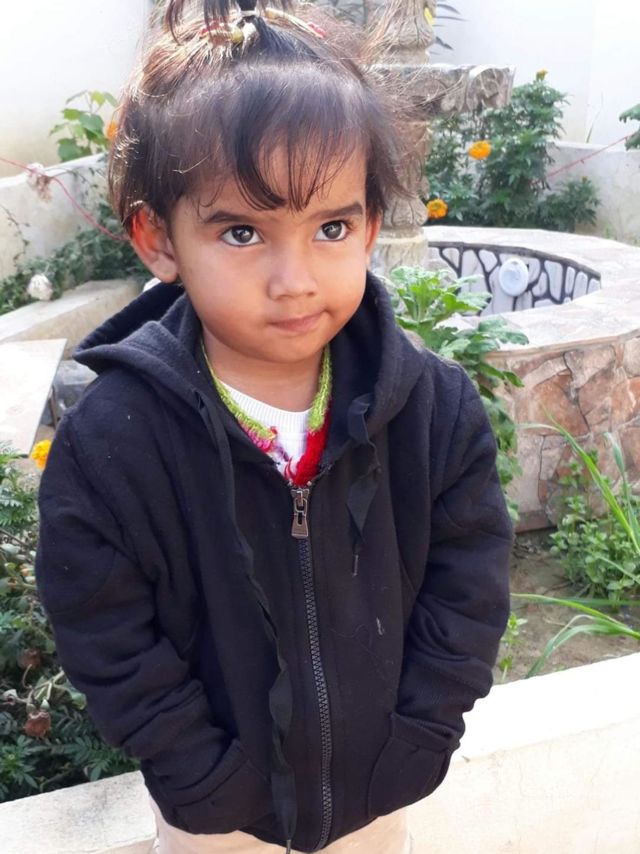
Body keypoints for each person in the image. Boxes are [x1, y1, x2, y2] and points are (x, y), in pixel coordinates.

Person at [35, 1, 512, 852]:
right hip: (218, 819)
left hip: (376, 795)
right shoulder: (114, 443)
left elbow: (469, 583)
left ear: (370, 225)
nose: (295, 280)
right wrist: (204, 778)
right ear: (158, 238)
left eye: (331, 227)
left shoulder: (433, 410)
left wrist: (419, 735)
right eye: (243, 232)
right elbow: (105, 628)